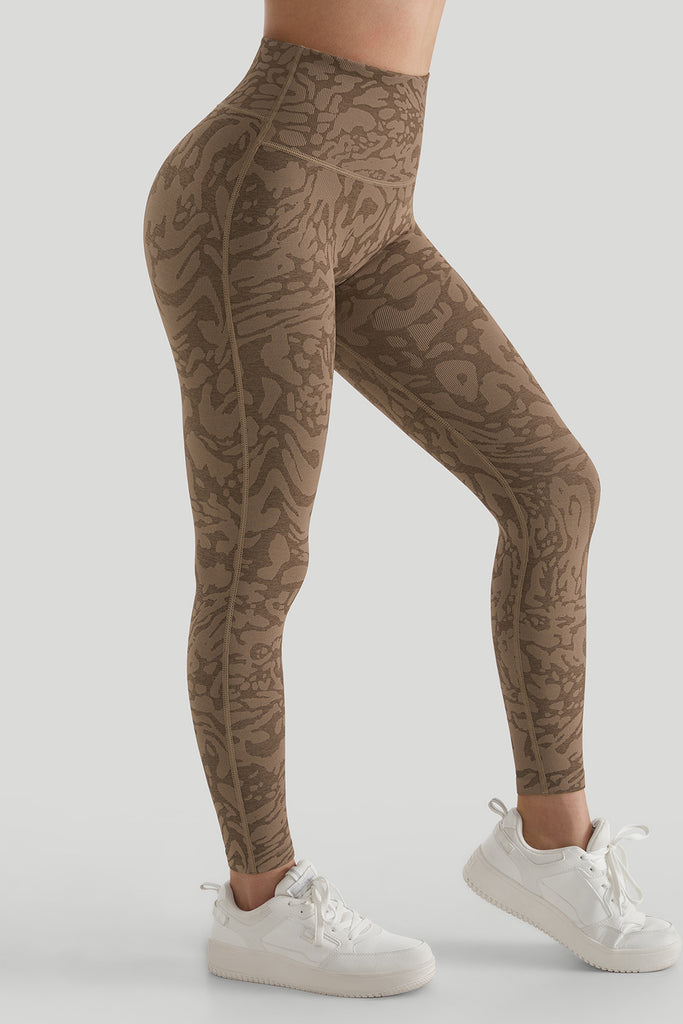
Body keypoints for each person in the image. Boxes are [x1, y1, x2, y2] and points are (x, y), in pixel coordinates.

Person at [142, 0, 680, 997]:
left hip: (374, 207)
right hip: (259, 191)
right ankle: (260, 901)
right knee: (257, 558)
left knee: (553, 487)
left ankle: (548, 842)